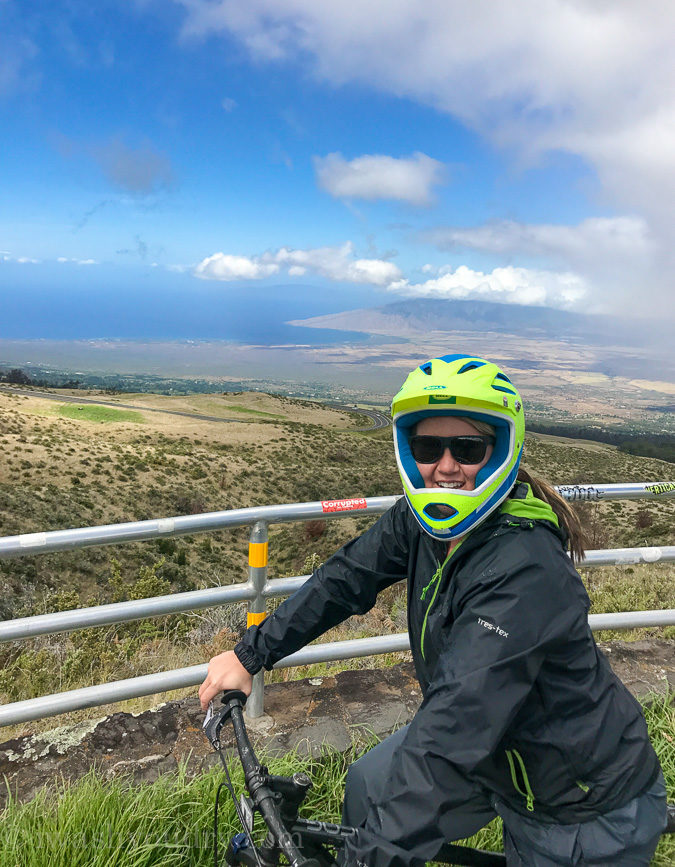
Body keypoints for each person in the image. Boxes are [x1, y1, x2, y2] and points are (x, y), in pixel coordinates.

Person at [199, 354, 667, 866]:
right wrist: (250, 654)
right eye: (427, 446)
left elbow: (452, 728)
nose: (445, 467)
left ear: (500, 450)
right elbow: (347, 577)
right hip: (489, 753)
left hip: (577, 801)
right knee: (371, 788)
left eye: (467, 448)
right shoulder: (422, 522)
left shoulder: (526, 571)